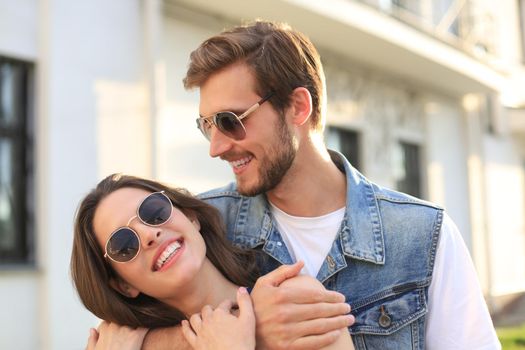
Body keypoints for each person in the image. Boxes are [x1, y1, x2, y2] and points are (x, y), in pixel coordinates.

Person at [164, 19, 499, 349]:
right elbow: (118, 337)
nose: (216, 147)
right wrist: (251, 329)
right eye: (208, 125)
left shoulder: (422, 235)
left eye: (230, 121)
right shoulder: (201, 226)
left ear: (298, 107)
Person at [71, 174, 354, 350]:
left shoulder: (295, 301)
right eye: (123, 244)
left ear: (191, 218)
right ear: (123, 284)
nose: (148, 235)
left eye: (153, 211)